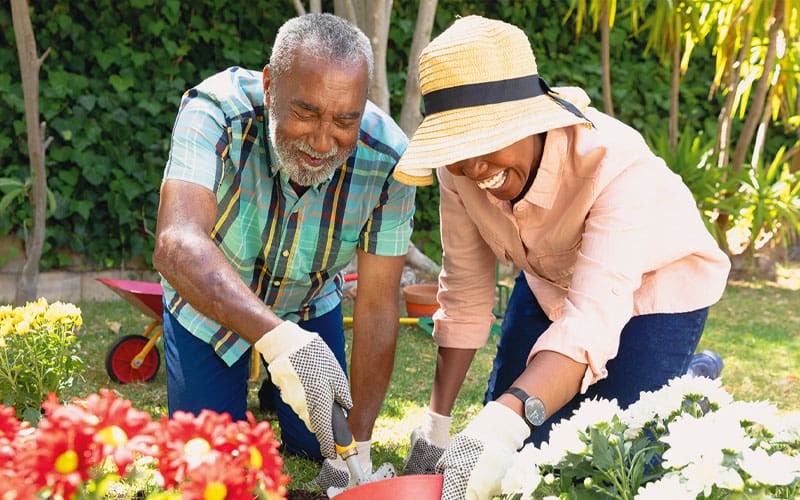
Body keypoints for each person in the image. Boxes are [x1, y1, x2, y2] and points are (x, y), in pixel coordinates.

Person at [392, 15, 731, 500]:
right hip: (554, 280)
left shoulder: (616, 164)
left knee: (609, 458)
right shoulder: (460, 172)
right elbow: (464, 293)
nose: (473, 167)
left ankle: (688, 382)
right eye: (456, 149)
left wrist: (504, 422)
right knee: (519, 455)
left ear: (529, 119)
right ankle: (661, 382)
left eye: (484, 141)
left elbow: (590, 321)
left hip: (658, 284)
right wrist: (436, 427)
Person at [152, 13, 415, 491]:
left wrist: (359, 447)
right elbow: (176, 244)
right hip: (208, 307)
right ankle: (279, 364)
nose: (321, 141)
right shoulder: (214, 110)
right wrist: (278, 340)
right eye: (306, 112)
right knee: (214, 460)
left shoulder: (390, 159)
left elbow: (377, 304)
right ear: (271, 85)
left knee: (326, 448)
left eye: (344, 120)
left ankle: (282, 384)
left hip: (309, 305)